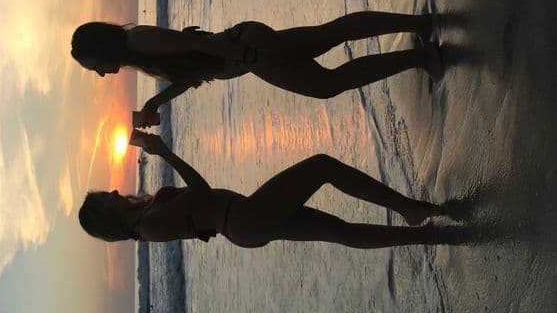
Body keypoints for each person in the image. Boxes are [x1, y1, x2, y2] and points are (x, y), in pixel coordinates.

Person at [78, 132, 458, 249]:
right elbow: (203, 193)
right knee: (322, 166)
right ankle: (408, 210)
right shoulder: (149, 227)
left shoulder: (146, 218)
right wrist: (165, 153)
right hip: (241, 219)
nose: (113, 192)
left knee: (337, 231)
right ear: (106, 217)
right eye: (105, 200)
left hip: (245, 220)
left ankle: (424, 235)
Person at [70, 12, 442, 127]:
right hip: (247, 45)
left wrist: (244, 57)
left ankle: (419, 56)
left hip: (247, 52)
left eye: (94, 66)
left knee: (328, 83)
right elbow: (189, 68)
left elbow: (199, 45)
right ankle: (417, 28)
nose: (101, 73)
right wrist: (159, 103)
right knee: (328, 37)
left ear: (100, 51)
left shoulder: (141, 44)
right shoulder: (139, 50)